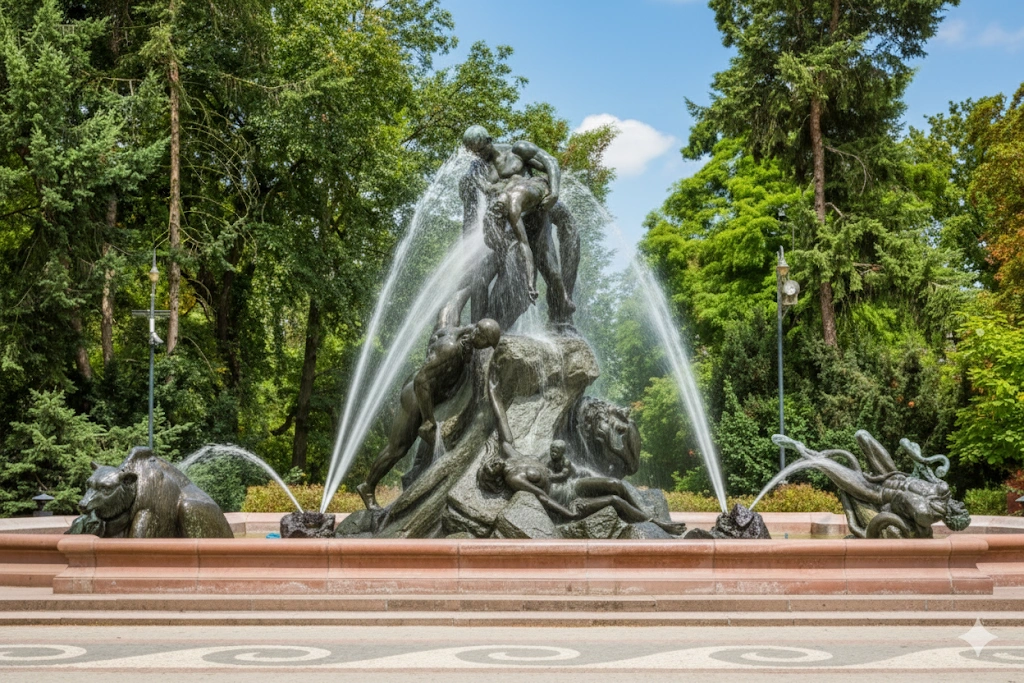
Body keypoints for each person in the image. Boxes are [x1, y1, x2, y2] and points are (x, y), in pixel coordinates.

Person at [480, 367, 686, 534]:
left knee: (615, 484)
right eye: (489, 471)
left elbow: (502, 422)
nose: (491, 465)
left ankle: (650, 517)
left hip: (572, 484)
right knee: (613, 500)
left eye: (487, 465)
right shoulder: (514, 478)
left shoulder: (511, 454)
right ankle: (656, 523)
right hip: (567, 500)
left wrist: (493, 392)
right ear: (496, 478)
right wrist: (568, 514)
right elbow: (543, 498)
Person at [356, 318, 501, 511]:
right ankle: (368, 487)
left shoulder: (464, 334)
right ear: (478, 335)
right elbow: (421, 380)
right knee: (397, 448)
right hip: (416, 399)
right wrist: (427, 419)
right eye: (486, 343)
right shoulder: (450, 347)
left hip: (431, 397)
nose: (485, 348)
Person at [459, 126, 577, 324]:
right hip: (508, 226)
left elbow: (551, 162)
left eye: (480, 149)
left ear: (489, 141)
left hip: (536, 214)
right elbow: (480, 193)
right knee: (483, 277)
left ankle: (562, 311)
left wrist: (555, 193)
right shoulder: (478, 169)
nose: (479, 154)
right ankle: (479, 327)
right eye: (474, 151)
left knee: (549, 267)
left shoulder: (517, 150)